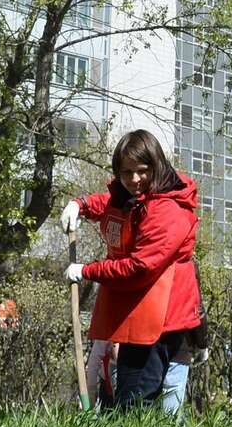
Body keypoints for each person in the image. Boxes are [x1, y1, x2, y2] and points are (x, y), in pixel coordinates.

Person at [61, 129, 202, 409]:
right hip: (143, 313)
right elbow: (113, 204)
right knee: (129, 394)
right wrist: (82, 205)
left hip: (160, 318)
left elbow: (140, 267)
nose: (134, 180)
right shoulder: (138, 198)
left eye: (141, 170)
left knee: (134, 400)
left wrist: (87, 271)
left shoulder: (167, 210)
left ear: (156, 166)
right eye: (126, 173)